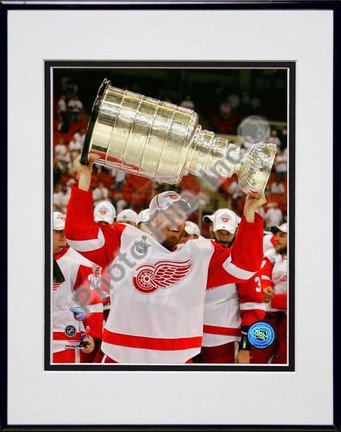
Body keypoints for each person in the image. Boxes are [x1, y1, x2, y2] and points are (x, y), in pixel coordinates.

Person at [64, 153, 266, 364]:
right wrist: (85, 177)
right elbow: (79, 234)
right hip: (122, 358)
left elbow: (244, 266)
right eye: (167, 214)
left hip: (178, 360)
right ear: (151, 219)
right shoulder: (125, 240)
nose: (175, 221)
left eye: (180, 215)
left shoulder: (200, 254)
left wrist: (249, 212)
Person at [193, 209, 266, 364]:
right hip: (192, 338)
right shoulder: (200, 254)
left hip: (223, 341)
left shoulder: (244, 264)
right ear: (212, 228)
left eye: (228, 232)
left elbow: (253, 308)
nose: (224, 237)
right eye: (220, 232)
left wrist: (245, 348)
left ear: (237, 230)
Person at [52, 211, 104, 363]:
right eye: (58, 231)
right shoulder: (30, 259)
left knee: (65, 382)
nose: (63, 235)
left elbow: (92, 300)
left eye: (65, 231)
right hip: (33, 336)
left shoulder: (80, 262)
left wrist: (90, 333)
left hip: (66, 339)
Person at [250, 223, 288, 364]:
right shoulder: (275, 255)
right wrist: (265, 286)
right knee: (255, 360)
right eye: (276, 235)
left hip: (289, 321)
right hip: (269, 319)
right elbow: (263, 271)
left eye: (282, 235)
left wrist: (272, 300)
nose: (276, 239)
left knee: (284, 362)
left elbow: (303, 299)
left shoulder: (304, 261)